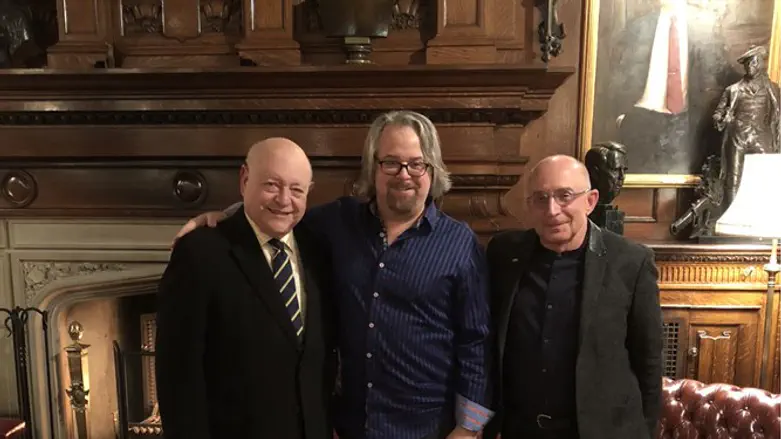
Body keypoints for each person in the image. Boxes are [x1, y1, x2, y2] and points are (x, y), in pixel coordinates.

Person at [174, 111, 494, 439]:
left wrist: (468, 429)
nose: (404, 174)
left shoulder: (460, 243)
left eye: (417, 163)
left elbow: (476, 340)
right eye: (391, 163)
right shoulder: (337, 223)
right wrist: (224, 218)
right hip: (348, 426)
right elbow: (283, 211)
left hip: (428, 430)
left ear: (432, 169)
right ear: (374, 166)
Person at [155, 138, 337, 439]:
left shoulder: (319, 248)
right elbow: (178, 377)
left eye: (296, 189)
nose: (283, 200)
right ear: (244, 179)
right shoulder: (200, 253)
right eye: (271, 184)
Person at [484, 155, 663, 439]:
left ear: (590, 201)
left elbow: (649, 360)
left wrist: (647, 431)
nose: (552, 210)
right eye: (540, 198)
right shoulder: (504, 254)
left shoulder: (630, 261)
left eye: (564, 196)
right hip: (521, 430)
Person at [713, 45, 781, 208]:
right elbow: (718, 113)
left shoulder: (773, 89)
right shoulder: (733, 90)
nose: (750, 66)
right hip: (738, 137)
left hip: (761, 137)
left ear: (761, 64)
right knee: (733, 178)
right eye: (747, 63)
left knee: (766, 175)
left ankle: (763, 213)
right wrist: (721, 118)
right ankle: (731, 213)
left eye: (753, 62)